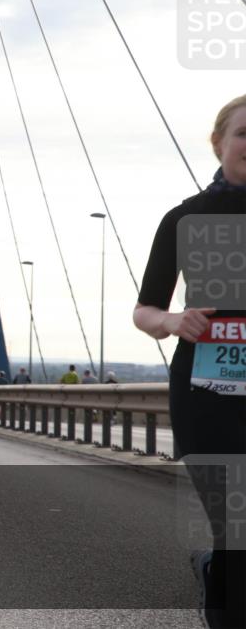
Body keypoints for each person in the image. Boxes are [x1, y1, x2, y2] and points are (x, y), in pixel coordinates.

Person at [133, 95, 245, 629]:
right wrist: (173, 322)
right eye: (244, 134)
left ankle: (214, 576)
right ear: (220, 143)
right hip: (207, 395)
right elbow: (144, 310)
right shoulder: (187, 218)